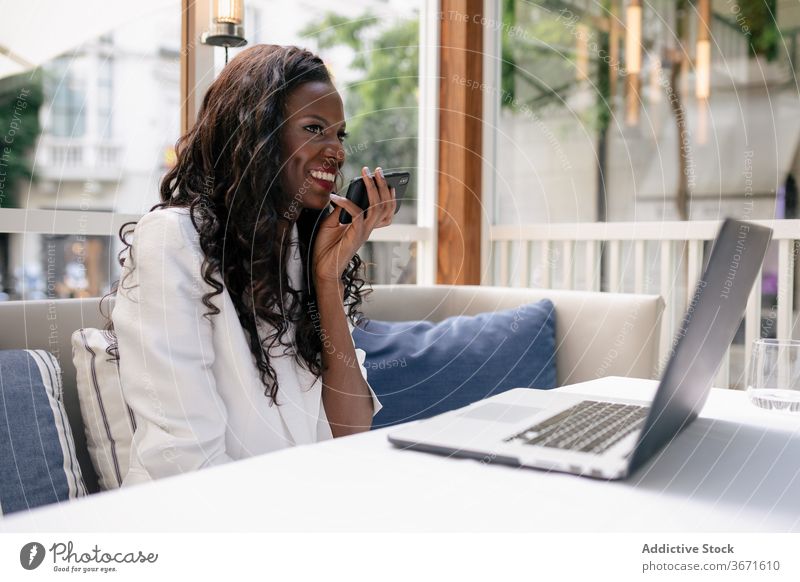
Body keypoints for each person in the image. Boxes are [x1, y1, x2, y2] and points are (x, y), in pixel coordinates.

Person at [110, 44, 395, 486]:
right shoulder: (173, 239)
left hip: (299, 508)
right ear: (257, 136)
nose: (336, 151)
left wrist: (326, 280)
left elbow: (351, 430)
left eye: (339, 134)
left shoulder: (301, 249)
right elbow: (186, 461)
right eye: (313, 128)